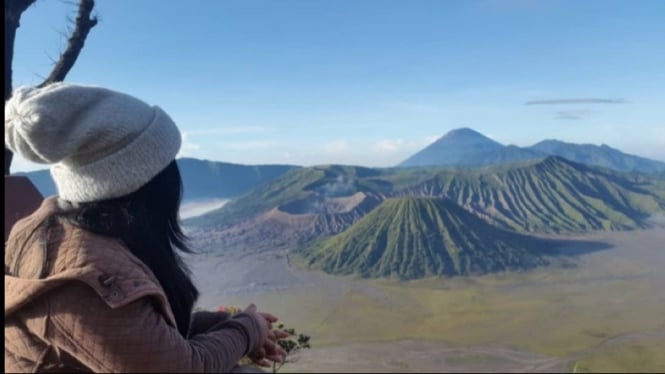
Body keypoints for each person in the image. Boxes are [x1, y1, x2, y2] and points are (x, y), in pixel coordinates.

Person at [4, 82, 288, 372]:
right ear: (148, 182)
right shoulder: (89, 280)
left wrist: (224, 326)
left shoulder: (54, 229)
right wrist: (246, 330)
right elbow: (185, 369)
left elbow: (134, 334)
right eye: (169, 162)